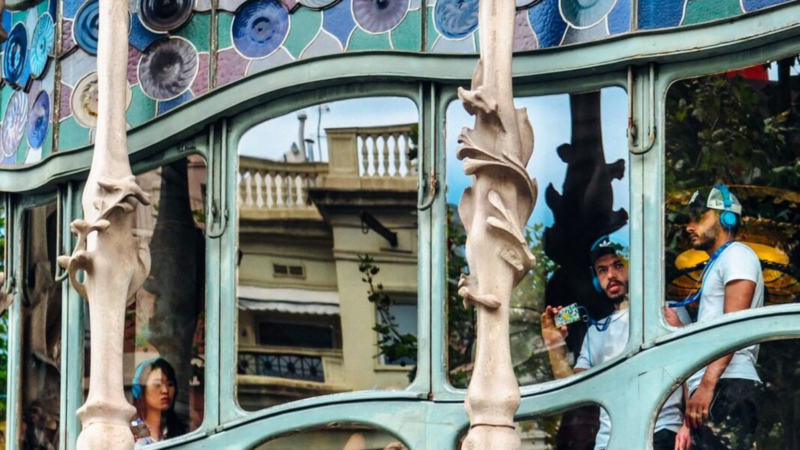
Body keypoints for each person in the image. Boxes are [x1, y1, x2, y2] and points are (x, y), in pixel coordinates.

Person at [543, 235, 690, 450]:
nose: (611, 275)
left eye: (618, 265)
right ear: (596, 280)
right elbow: (576, 393)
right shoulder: (595, 331)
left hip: (660, 433)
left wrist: (687, 425)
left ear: (634, 268)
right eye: (602, 270)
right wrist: (554, 345)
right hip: (609, 442)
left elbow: (690, 369)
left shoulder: (666, 311)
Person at [665, 185, 764, 450]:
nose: (689, 226)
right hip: (716, 386)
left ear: (726, 218)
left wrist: (708, 384)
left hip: (728, 385)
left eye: (699, 216)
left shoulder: (737, 255)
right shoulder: (719, 263)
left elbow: (734, 327)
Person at [130, 358, 188, 447]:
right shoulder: (131, 430)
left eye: (170, 384)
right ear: (139, 390)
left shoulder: (183, 429)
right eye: (157, 384)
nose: (165, 390)